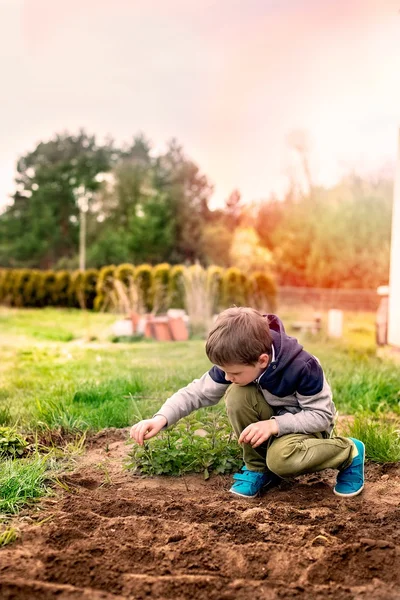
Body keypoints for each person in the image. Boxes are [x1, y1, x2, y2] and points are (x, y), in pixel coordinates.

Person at [130, 307, 365, 499]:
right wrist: (161, 417)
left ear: (262, 360)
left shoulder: (303, 367)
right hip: (275, 424)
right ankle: (258, 469)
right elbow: (197, 392)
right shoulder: (239, 360)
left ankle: (348, 451)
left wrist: (274, 425)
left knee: (280, 459)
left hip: (308, 430)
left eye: (233, 372)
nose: (227, 376)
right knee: (237, 393)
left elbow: (321, 416)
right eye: (224, 371)